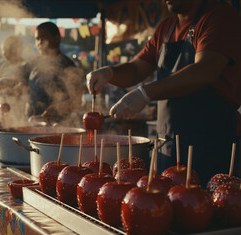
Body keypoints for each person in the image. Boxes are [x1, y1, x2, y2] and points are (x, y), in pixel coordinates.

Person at [86, 0, 241, 186]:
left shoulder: (220, 16)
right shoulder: (166, 27)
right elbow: (136, 69)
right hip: (169, 147)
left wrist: (144, 93)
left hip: (212, 144)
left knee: (205, 208)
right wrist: (110, 72)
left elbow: (204, 70)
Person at [0, 22, 84, 124]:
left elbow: (77, 101)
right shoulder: (34, 63)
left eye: (43, 38)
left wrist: (58, 109)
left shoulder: (67, 66)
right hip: (32, 122)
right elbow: (20, 82)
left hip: (59, 127)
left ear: (56, 38)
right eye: (37, 39)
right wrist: (2, 84)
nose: (40, 42)